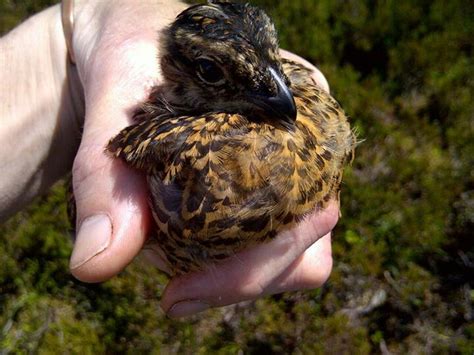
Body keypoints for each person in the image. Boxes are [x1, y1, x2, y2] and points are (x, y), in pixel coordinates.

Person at [0, 0, 338, 318]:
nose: (282, 95)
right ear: (177, 68)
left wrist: (81, 24)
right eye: (210, 70)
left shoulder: (303, 102)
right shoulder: (171, 153)